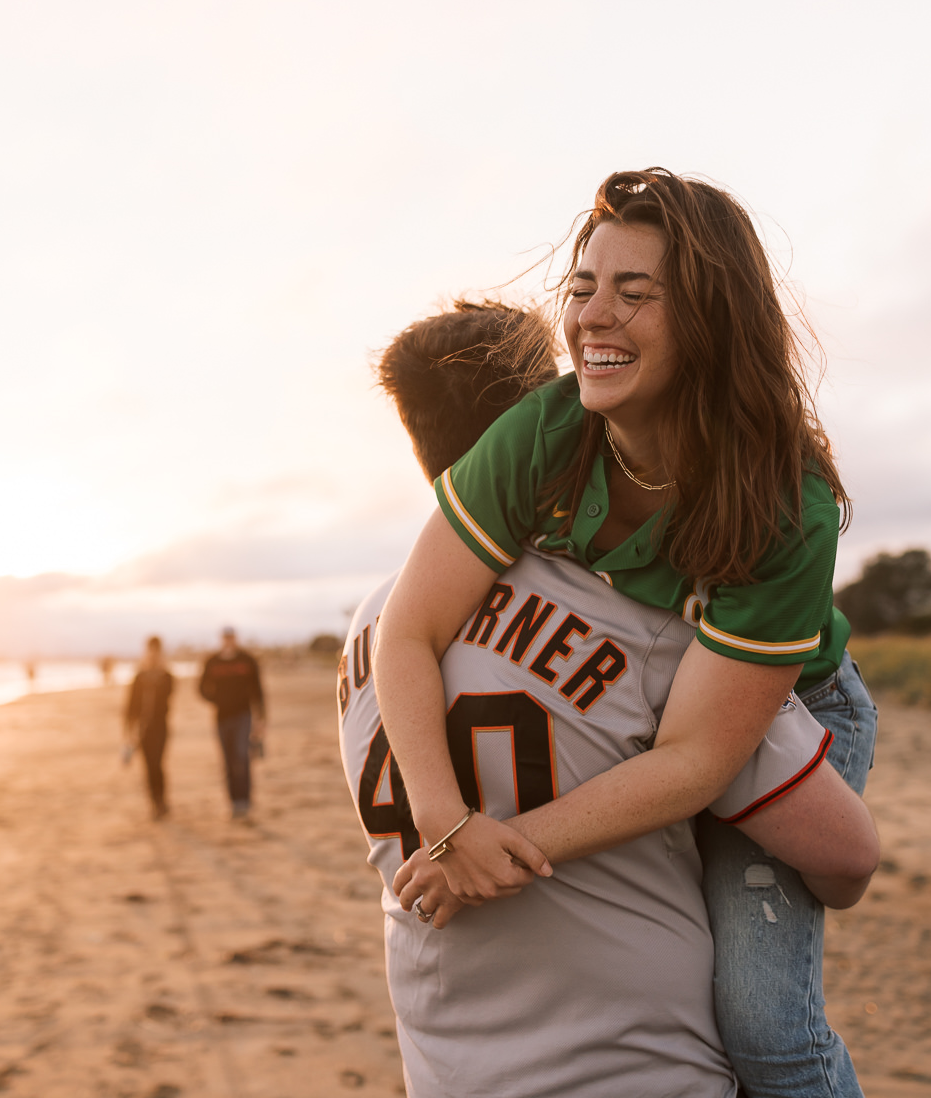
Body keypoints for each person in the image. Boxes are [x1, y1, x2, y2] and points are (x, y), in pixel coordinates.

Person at [373, 172, 879, 1097]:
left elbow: (696, 758)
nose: (592, 318)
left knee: (762, 1023)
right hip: (665, 690)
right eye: (582, 288)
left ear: (712, 318)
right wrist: (446, 826)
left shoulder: (785, 501)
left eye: (634, 293)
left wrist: (508, 845)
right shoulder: (547, 430)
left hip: (787, 703)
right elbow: (407, 629)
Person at [198, 627, 265, 819]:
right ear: (222, 640)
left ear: (235, 639)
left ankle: (245, 800)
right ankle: (233, 802)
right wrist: (216, 700)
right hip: (221, 718)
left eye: (231, 638)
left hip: (244, 716)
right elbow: (201, 688)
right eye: (225, 638)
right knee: (227, 760)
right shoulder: (212, 662)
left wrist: (261, 719)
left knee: (241, 756)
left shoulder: (247, 660)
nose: (228, 641)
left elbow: (258, 690)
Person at [124, 637, 174, 819]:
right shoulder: (139, 677)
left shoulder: (166, 676)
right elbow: (130, 706)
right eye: (150, 650)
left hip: (160, 727)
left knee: (158, 764)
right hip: (142, 729)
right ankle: (155, 803)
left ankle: (161, 801)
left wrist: (156, 675)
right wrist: (129, 730)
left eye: (156, 650)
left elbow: (167, 699)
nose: (153, 653)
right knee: (148, 766)